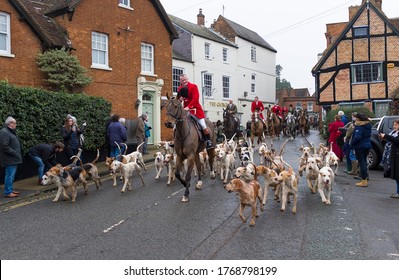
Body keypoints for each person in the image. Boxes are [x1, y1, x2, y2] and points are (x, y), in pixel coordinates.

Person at [178, 74, 213, 149]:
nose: (184, 81)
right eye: (182, 80)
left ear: (187, 78)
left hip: (195, 110)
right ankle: (176, 140)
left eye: (185, 79)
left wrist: (188, 107)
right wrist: (180, 100)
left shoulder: (193, 86)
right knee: (177, 124)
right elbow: (179, 99)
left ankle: (208, 141)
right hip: (185, 110)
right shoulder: (179, 88)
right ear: (180, 81)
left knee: (203, 125)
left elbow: (195, 99)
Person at [0, 117, 22, 198]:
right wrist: (13, 152)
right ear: (10, 123)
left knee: (11, 176)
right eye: (15, 123)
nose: (16, 125)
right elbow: (4, 146)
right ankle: (8, 192)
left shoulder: (9, 132)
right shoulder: (4, 132)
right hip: (9, 158)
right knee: (9, 175)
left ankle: (10, 189)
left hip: (13, 158)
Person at [350, 113, 372, 187]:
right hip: (367, 145)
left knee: (362, 163)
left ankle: (364, 180)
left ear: (358, 119)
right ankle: (365, 178)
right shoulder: (368, 125)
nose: (355, 119)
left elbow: (357, 137)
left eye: (356, 118)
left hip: (360, 147)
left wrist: (352, 144)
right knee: (364, 162)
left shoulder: (359, 126)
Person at [379, 119, 399, 198]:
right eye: (394, 125)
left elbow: (397, 141)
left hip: (397, 155)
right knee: (397, 175)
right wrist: (383, 138)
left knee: (398, 175)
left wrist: (386, 136)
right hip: (394, 155)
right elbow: (391, 141)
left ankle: (398, 192)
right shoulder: (394, 133)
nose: (394, 126)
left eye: (396, 125)